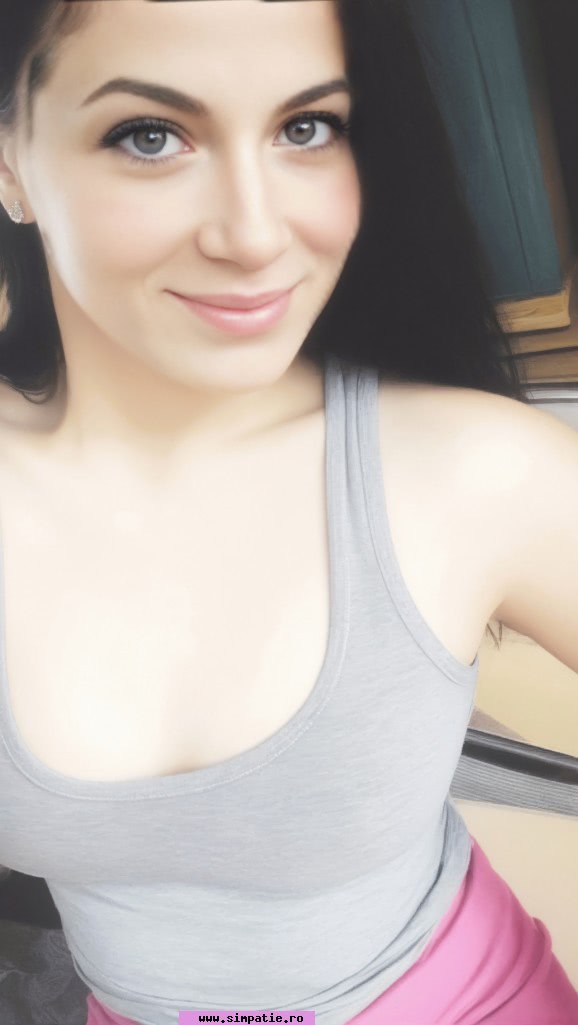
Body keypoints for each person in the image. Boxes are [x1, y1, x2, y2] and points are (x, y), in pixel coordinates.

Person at [0, 2, 576, 1025]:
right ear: (11, 161)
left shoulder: (476, 470)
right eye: (150, 135)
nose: (256, 233)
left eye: (305, 127)